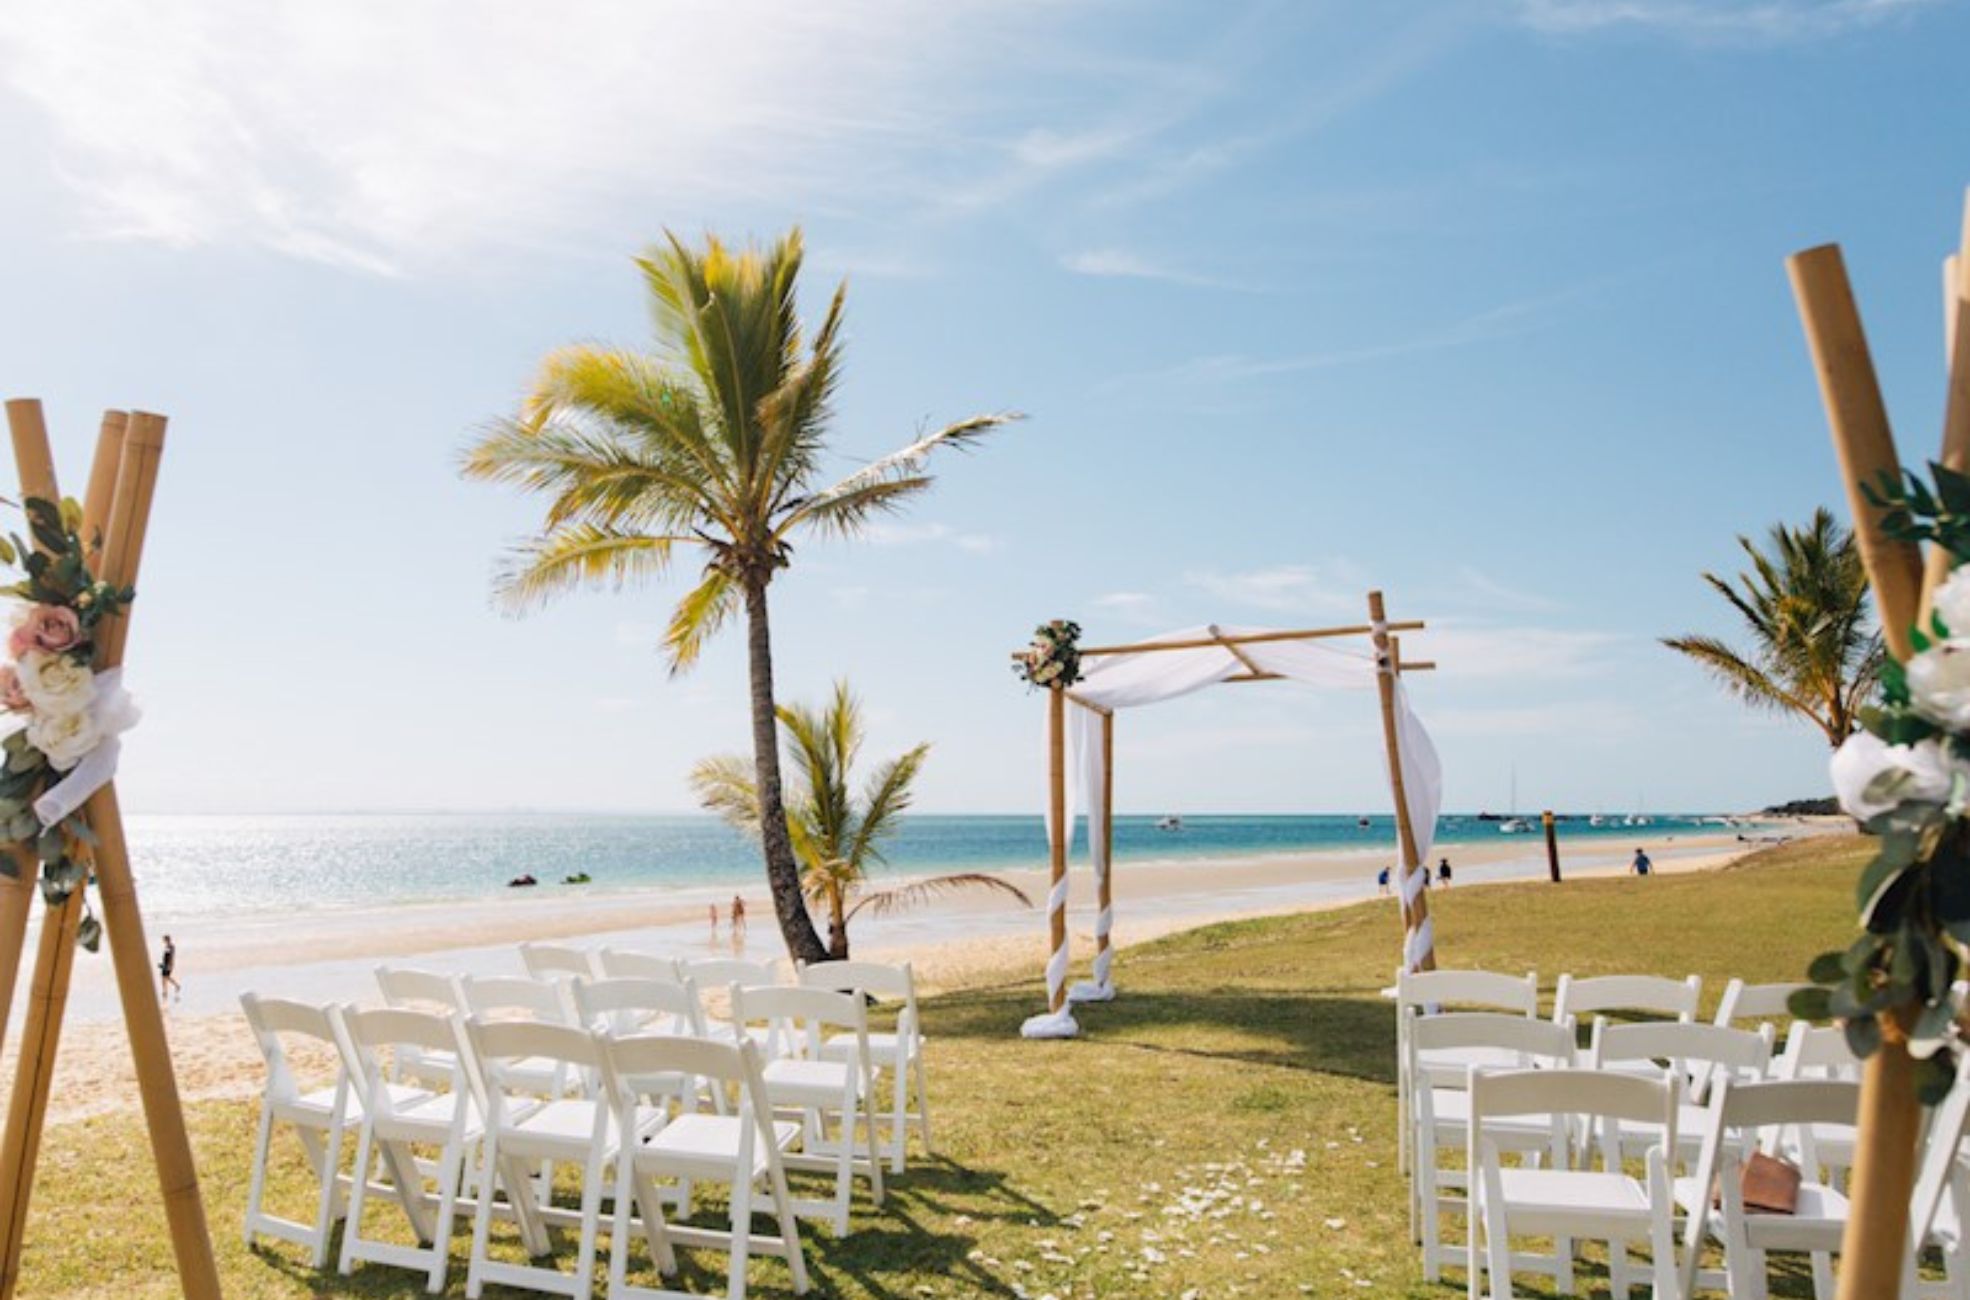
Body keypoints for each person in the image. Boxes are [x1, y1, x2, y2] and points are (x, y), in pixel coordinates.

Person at [158, 935, 180, 1005]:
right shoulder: (167, 946)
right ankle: (165, 991)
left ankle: (176, 986)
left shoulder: (171, 947)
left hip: (168, 964)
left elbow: (171, 956)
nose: (163, 941)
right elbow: (166, 956)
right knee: (163, 977)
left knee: (166, 977)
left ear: (167, 939)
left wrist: (170, 965)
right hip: (165, 963)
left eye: (164, 940)